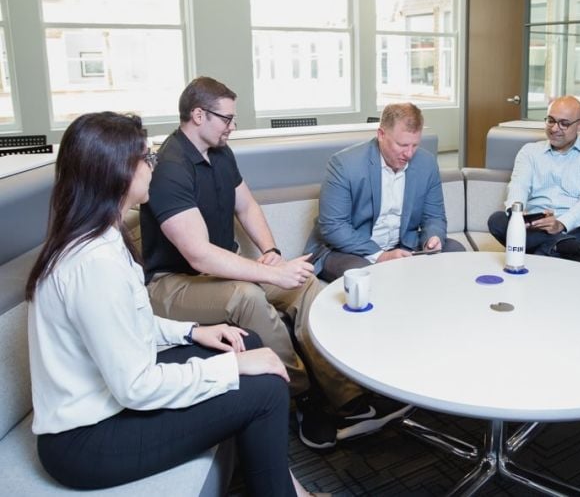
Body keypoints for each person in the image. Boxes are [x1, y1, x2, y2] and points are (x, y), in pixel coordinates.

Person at [24, 111, 314, 495]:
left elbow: (133, 323)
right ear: (117, 171)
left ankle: (282, 484)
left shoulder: (101, 237)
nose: (152, 166)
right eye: (145, 158)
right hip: (86, 441)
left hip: (112, 401)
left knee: (247, 341)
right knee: (264, 390)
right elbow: (137, 386)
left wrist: (196, 331)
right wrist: (233, 368)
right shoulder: (92, 263)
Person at [140, 77, 401, 450]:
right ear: (198, 115)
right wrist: (269, 272)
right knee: (246, 297)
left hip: (217, 271)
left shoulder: (219, 152)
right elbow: (198, 254)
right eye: (226, 118)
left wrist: (272, 251)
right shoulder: (170, 167)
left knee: (305, 284)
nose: (233, 126)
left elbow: (245, 205)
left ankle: (347, 396)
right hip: (172, 283)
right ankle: (303, 395)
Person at [305, 102, 466, 282]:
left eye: (415, 145)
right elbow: (334, 227)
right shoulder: (344, 165)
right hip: (349, 251)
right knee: (366, 275)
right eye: (402, 145)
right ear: (381, 135)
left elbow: (434, 217)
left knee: (455, 252)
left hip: (403, 245)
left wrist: (432, 238)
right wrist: (380, 255)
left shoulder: (426, 164)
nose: (409, 154)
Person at [487, 95, 580, 267]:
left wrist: (561, 224)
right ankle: (577, 250)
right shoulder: (529, 152)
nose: (555, 128)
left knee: (539, 257)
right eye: (551, 121)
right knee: (497, 220)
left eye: (564, 123)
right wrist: (517, 215)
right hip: (536, 225)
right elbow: (519, 187)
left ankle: (551, 249)